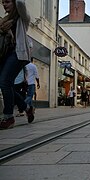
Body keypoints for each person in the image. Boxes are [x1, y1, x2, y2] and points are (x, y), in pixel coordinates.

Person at [0, 0, 34, 129]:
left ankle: (8, 117)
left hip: (17, 54)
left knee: (4, 82)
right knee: (5, 84)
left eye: (8, 2)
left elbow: (21, 2)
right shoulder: (4, 20)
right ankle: (27, 107)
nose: (4, 4)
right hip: (4, 55)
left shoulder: (22, 18)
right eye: (3, 2)